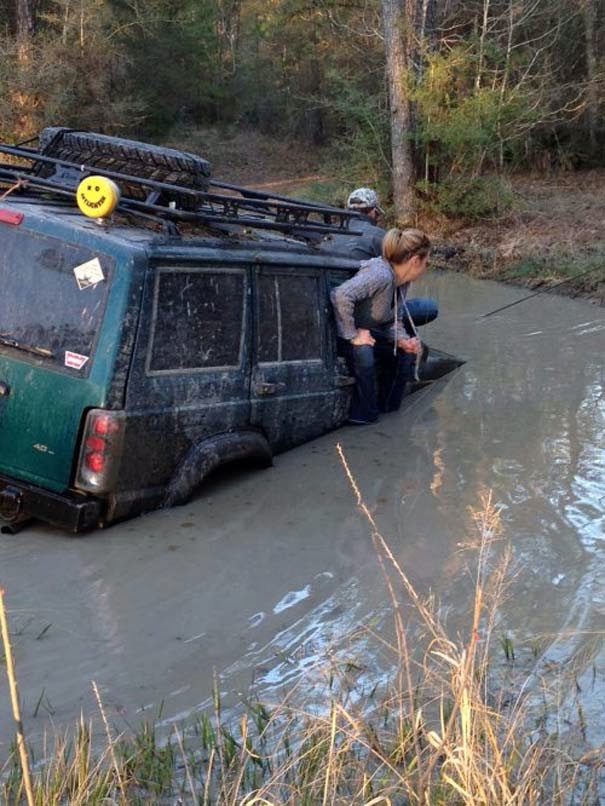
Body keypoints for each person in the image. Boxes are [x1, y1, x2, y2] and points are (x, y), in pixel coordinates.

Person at [331, 228, 435, 424]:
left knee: (403, 354)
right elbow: (340, 295)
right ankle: (364, 416)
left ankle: (390, 411)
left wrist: (403, 340)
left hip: (366, 331)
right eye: (426, 262)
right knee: (364, 352)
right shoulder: (380, 274)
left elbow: (393, 319)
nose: (426, 267)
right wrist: (352, 335)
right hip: (340, 330)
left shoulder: (402, 281)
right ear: (415, 261)